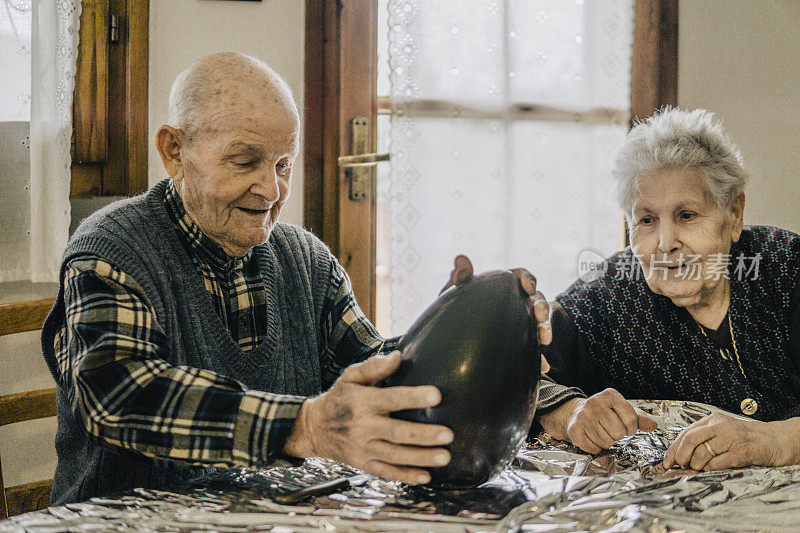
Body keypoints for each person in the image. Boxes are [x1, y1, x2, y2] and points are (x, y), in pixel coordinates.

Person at [41, 52, 551, 504]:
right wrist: (302, 426)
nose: (271, 188)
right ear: (174, 151)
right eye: (246, 162)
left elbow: (377, 375)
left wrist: (451, 333)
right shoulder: (110, 249)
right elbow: (118, 394)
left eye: (284, 163)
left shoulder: (305, 259)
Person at [533, 107, 800, 473]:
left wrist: (778, 442)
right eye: (646, 219)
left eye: (687, 215)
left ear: (734, 213)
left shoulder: (786, 268)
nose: (665, 243)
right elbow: (510, 370)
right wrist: (566, 411)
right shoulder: (608, 295)